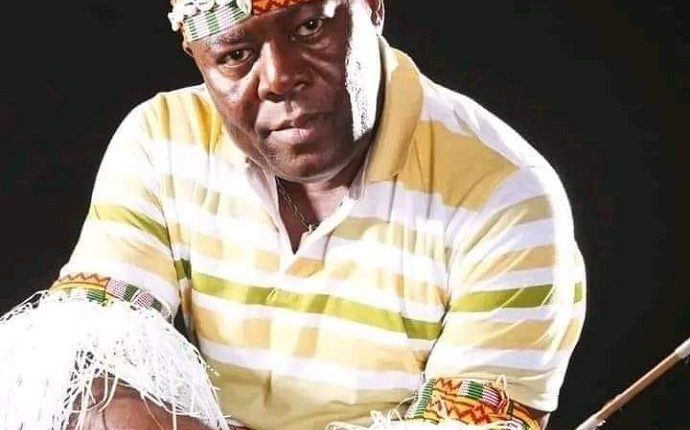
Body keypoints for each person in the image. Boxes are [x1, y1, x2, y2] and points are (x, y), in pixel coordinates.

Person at [0, 0, 586, 429]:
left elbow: (473, 423)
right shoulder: (162, 141)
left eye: (309, 27)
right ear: (198, 58)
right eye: (236, 54)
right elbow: (78, 365)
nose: (280, 78)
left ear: (372, 8)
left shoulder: (506, 194)